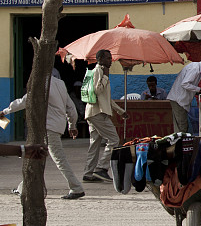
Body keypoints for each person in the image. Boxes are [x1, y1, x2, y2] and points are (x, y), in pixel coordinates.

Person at [2, 76, 85, 199]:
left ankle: (76, 187)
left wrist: (5, 112)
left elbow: (25, 101)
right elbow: (71, 107)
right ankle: (24, 187)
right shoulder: (60, 83)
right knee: (34, 155)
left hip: (47, 127)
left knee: (58, 159)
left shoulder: (40, 83)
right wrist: (72, 125)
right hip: (56, 126)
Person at [83, 49, 129, 183]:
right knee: (114, 140)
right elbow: (98, 90)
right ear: (100, 59)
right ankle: (101, 169)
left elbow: (106, 98)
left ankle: (88, 173)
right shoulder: (99, 71)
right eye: (108, 58)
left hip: (93, 112)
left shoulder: (100, 71)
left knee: (95, 144)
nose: (110, 60)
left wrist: (120, 111)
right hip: (98, 113)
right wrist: (105, 76)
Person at [167, 55, 201, 133]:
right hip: (179, 100)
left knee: (179, 126)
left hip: (180, 99)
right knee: (182, 126)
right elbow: (185, 83)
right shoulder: (195, 69)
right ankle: (180, 143)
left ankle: (178, 143)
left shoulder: (197, 68)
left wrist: (196, 91)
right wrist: (199, 90)